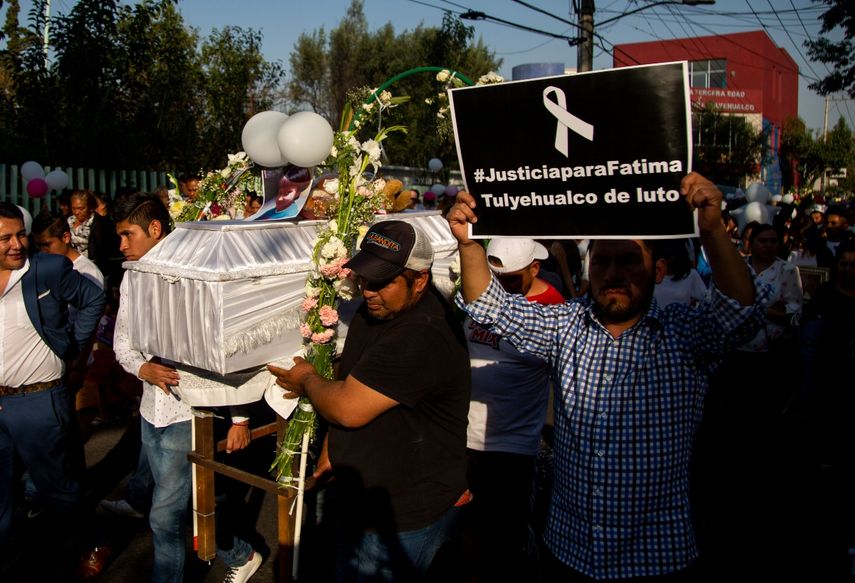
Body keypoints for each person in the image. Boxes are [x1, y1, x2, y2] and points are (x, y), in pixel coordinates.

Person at [447, 173, 767, 580]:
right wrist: (469, 244)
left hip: (656, 558)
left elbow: (741, 313)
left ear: (659, 270)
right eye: (602, 261)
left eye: (629, 260)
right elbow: (490, 307)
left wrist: (712, 231)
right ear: (588, 269)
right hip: (569, 552)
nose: (613, 273)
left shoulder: (683, 335)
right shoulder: (565, 325)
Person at [268, 220, 471, 580]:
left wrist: (307, 379)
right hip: (365, 495)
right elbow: (352, 378)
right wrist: (334, 443)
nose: (368, 290)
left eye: (382, 281)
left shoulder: (421, 335)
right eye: (364, 277)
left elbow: (348, 407)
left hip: (402, 512)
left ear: (420, 279)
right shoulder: (378, 309)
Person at [106, 192, 261, 583]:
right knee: (180, 504)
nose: (121, 246)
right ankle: (240, 552)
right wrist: (143, 368)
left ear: (155, 229)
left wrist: (239, 416)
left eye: (128, 235)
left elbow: (228, 347)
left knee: (163, 516)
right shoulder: (132, 276)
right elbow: (122, 341)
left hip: (189, 414)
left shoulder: (195, 271)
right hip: (150, 411)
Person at [0, 202, 105, 555]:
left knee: (56, 487)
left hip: (39, 400)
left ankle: (93, 544)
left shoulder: (46, 269)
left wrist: (74, 347)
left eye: (19, 235)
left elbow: (93, 298)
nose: (16, 245)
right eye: (5, 238)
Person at [464, 238, 564, 581]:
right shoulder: (478, 295)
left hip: (512, 449)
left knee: (505, 544)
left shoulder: (553, 308)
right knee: (467, 536)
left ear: (534, 268)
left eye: (510, 280)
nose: (500, 289)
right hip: (463, 442)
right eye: (495, 278)